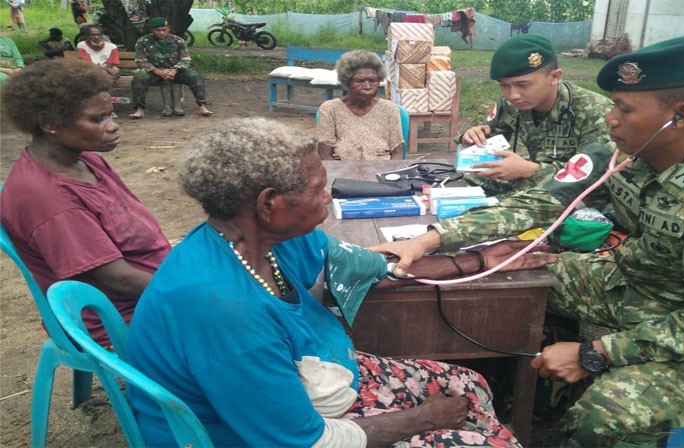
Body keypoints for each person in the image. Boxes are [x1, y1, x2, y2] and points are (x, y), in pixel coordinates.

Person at [371, 36, 684, 447]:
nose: (609, 119)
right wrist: (432, 239)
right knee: (522, 274)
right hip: (643, 284)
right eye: (612, 105)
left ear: (679, 116)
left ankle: (577, 395)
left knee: (604, 418)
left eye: (624, 109)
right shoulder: (626, 155)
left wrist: (595, 353)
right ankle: (531, 390)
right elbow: (544, 201)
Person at [125, 117, 557, 447]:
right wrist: (423, 420)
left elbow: (366, 265)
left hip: (315, 387)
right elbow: (305, 441)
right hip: (259, 435)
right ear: (270, 203)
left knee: (471, 384)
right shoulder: (224, 311)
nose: (329, 197)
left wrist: (479, 260)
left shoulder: (263, 238)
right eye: (319, 188)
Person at [0, 58, 171, 347]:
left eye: (110, 115)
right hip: (119, 316)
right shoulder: (46, 197)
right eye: (97, 119)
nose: (113, 126)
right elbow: (115, 278)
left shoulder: (86, 161)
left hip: (150, 288)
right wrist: (188, 293)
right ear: (50, 123)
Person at [459, 34, 613, 197]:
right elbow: (490, 140)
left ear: (554, 77)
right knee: (472, 175)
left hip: (578, 192)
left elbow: (593, 175)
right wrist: (472, 137)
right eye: (504, 85)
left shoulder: (596, 111)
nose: (513, 95)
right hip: (537, 181)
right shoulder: (511, 104)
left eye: (522, 85)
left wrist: (531, 170)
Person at [317, 49, 404, 160]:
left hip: (381, 170)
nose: (367, 87)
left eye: (373, 80)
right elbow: (324, 155)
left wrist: (389, 175)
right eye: (360, 81)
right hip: (342, 170)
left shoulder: (389, 109)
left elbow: (397, 153)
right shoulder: (330, 109)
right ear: (347, 82)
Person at [130, 16, 212, 118]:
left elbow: (185, 59)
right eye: (158, 30)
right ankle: (139, 109)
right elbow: (140, 60)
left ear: (168, 28)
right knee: (140, 76)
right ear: (152, 30)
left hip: (175, 72)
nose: (161, 33)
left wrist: (175, 70)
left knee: (194, 76)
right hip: (154, 73)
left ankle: (202, 106)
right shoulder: (143, 41)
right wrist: (157, 71)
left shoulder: (178, 40)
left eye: (164, 30)